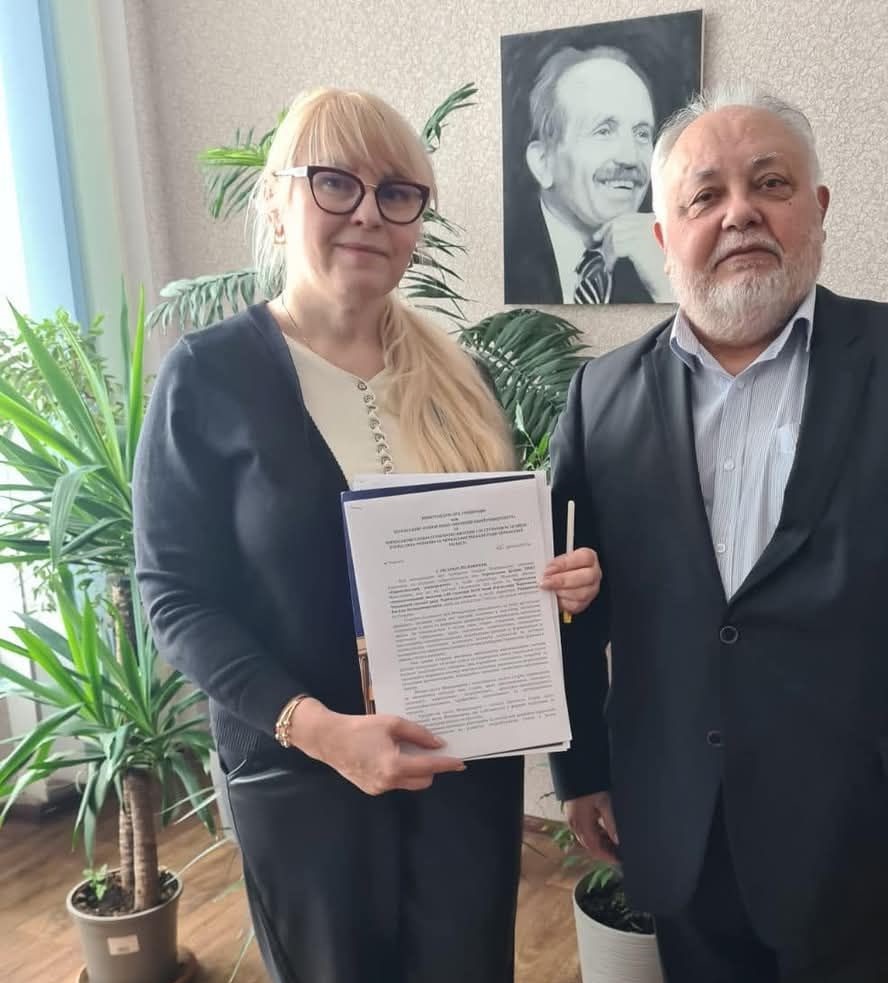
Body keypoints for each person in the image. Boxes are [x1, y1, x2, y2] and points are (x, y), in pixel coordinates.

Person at [549, 82, 888, 983]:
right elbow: (570, 602)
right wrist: (580, 768)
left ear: (817, 209)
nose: (739, 212)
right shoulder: (600, 396)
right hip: (677, 820)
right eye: (704, 195)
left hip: (863, 830)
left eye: (769, 184)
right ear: (663, 236)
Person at [133, 86, 601, 983]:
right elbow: (173, 597)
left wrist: (558, 587)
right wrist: (322, 731)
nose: (369, 214)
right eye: (336, 183)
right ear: (277, 202)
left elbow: (492, 574)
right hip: (305, 781)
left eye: (397, 193)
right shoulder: (209, 376)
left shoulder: (462, 379)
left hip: (462, 772)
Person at [504, 45, 673, 305]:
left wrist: (666, 290)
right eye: (603, 131)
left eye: (641, 134)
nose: (630, 158)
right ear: (543, 162)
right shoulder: (503, 259)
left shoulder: (664, 258)